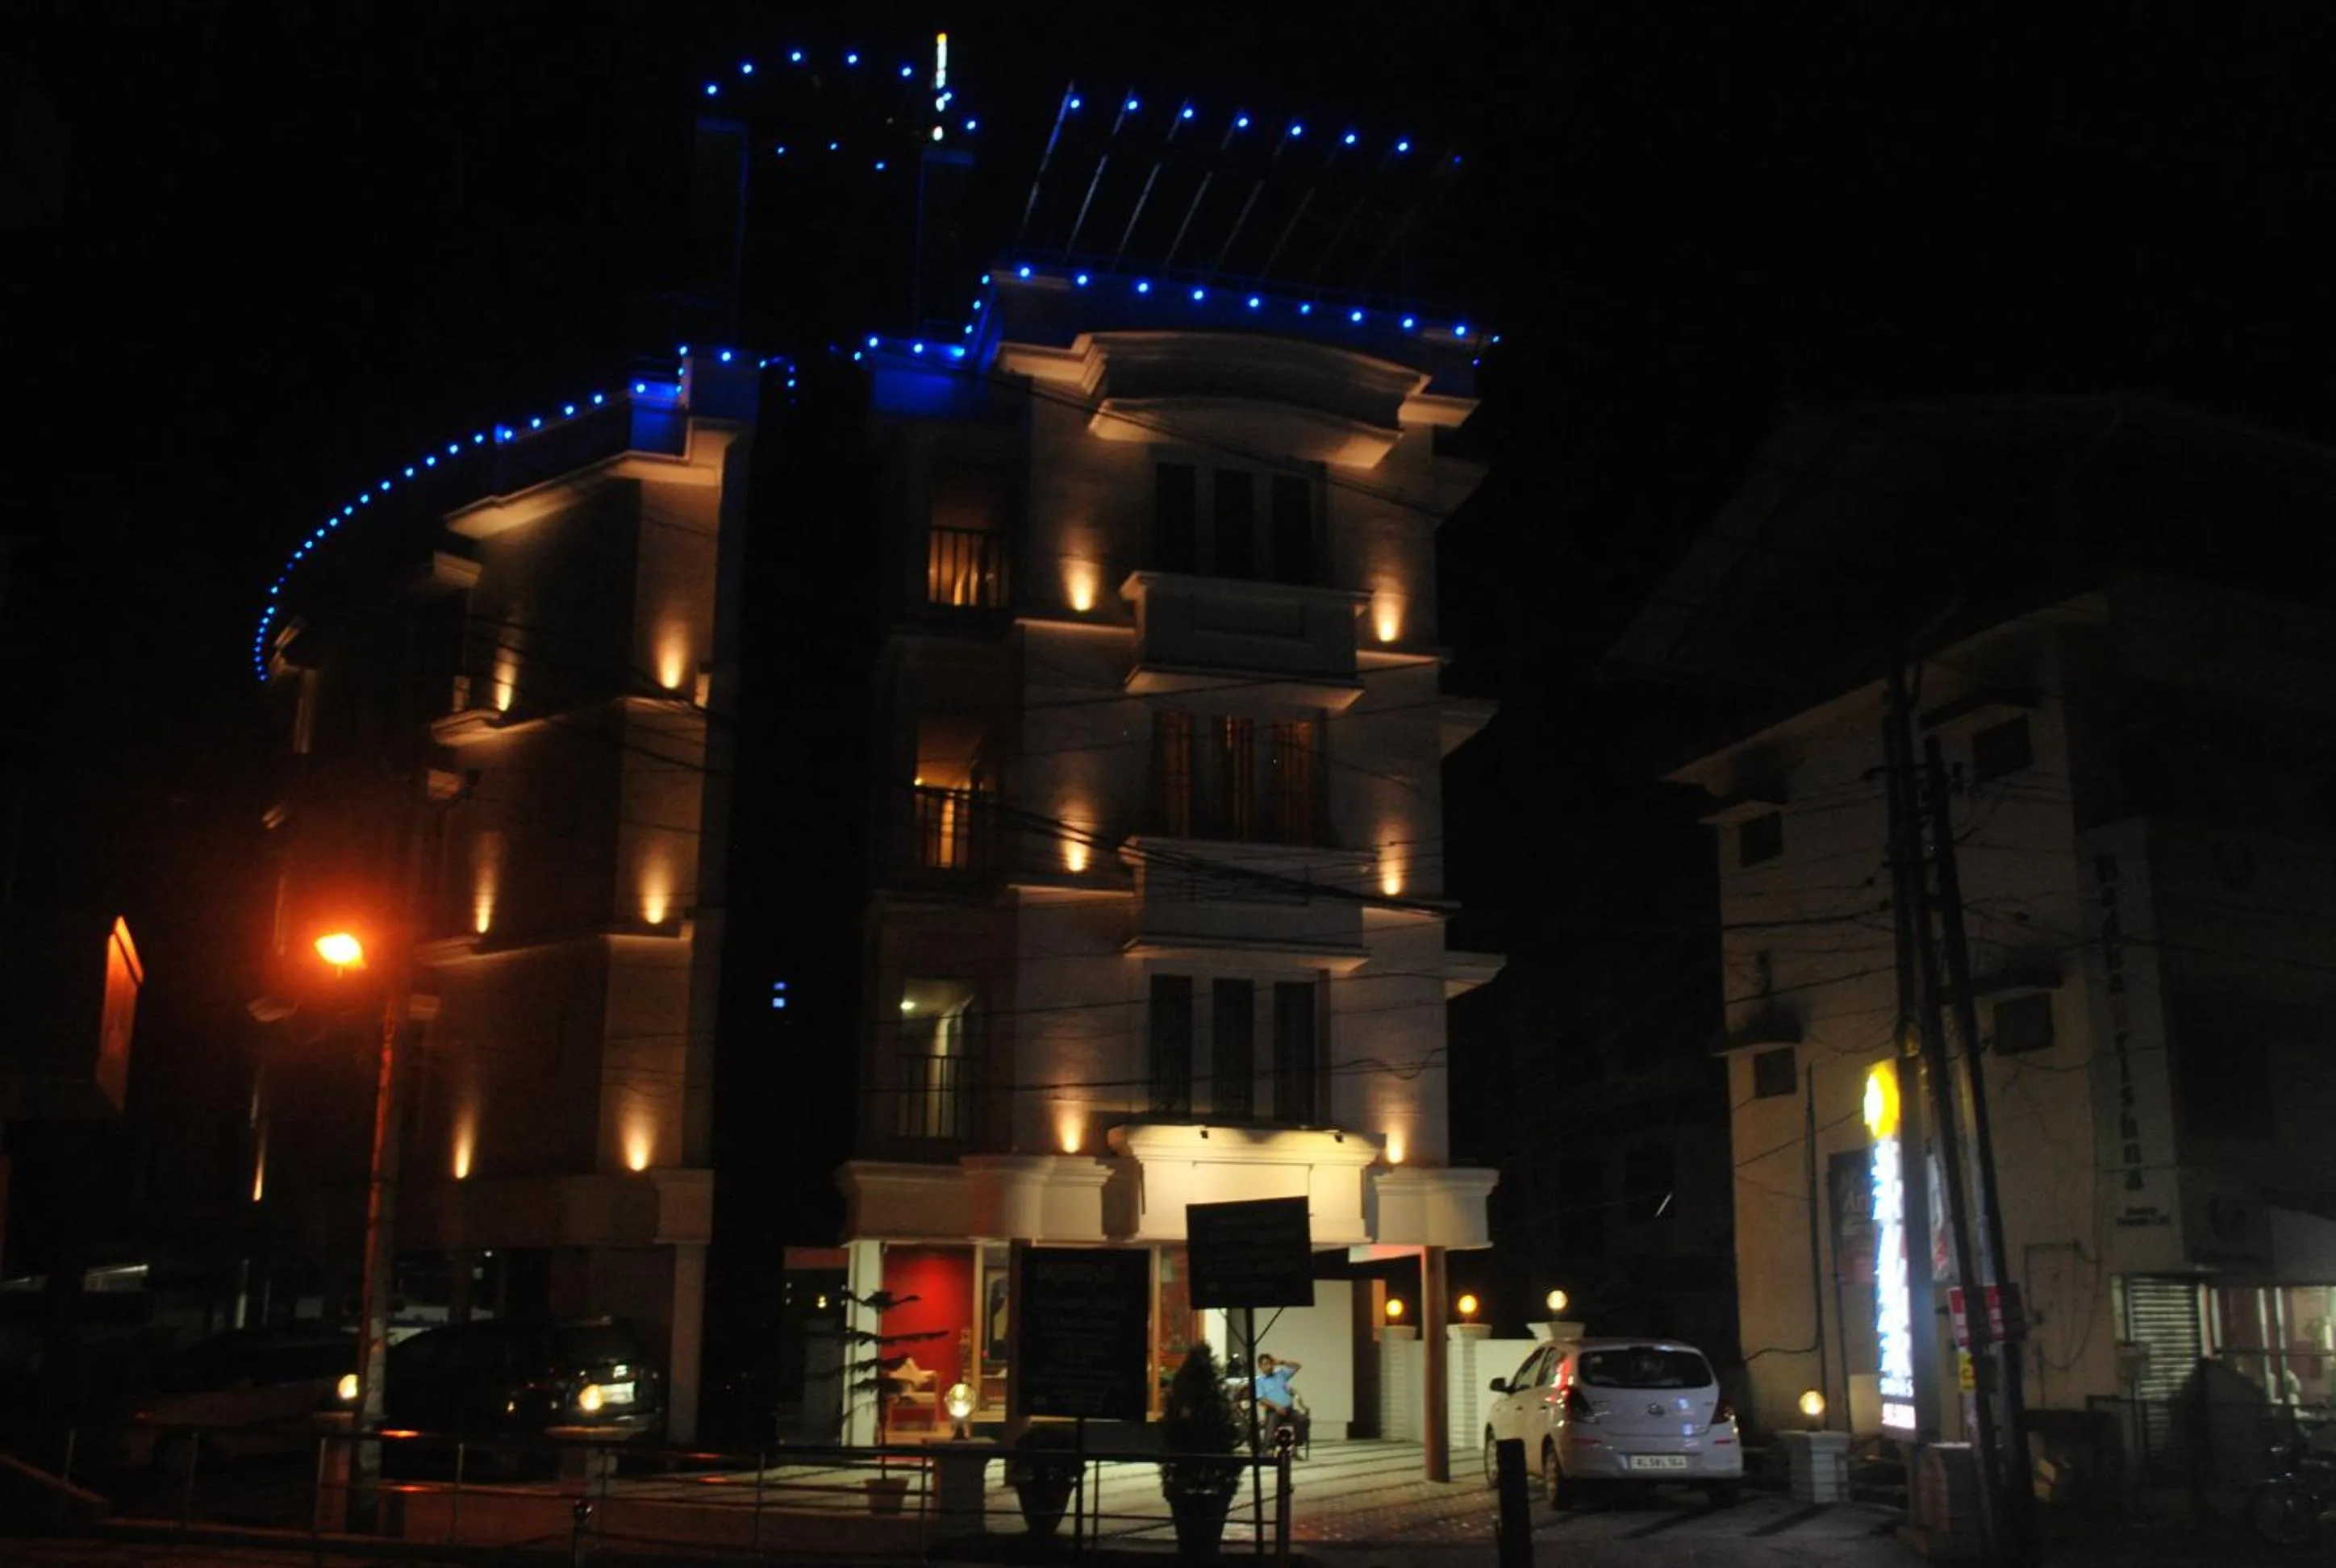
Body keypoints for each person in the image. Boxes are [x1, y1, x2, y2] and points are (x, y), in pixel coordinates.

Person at [1253, 1353, 1309, 1453]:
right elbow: (1261, 1398)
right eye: (1265, 1364)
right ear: (1260, 1367)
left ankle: (1296, 1445)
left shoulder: (1280, 1375)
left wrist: (1281, 1362)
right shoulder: (1260, 1381)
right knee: (1270, 1428)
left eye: (1270, 1363)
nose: (1269, 1366)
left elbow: (1298, 1366)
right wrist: (1277, 1407)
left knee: (1303, 1419)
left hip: (1289, 1409)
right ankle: (1268, 1450)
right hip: (1274, 1410)